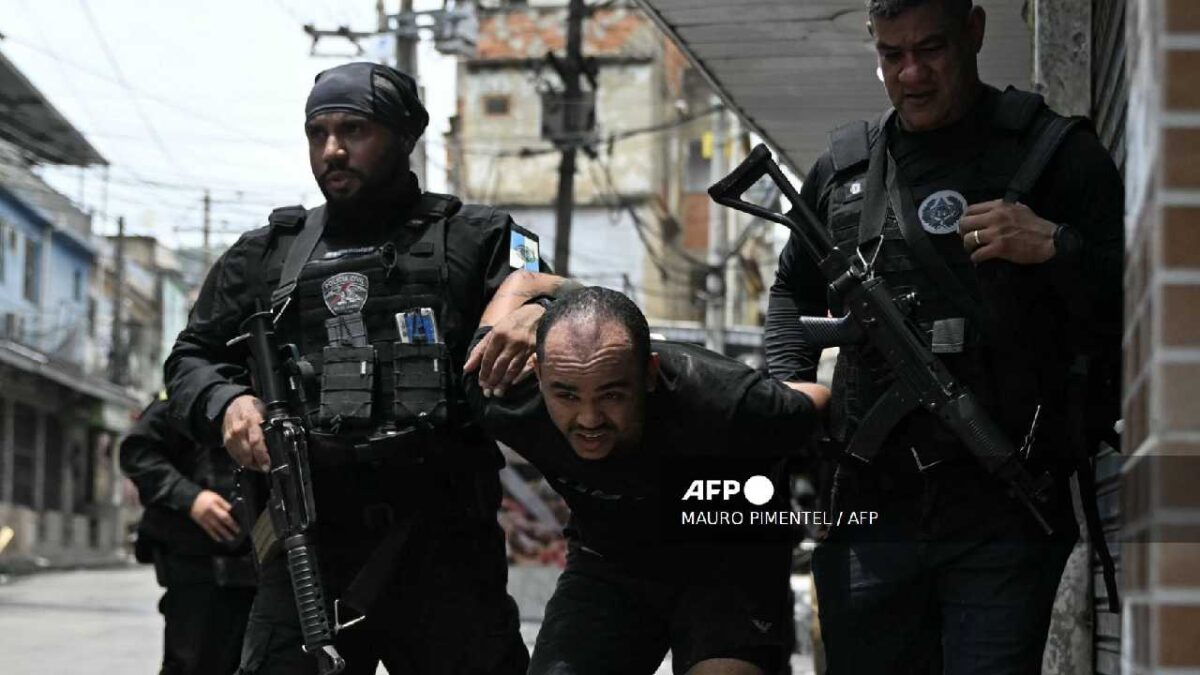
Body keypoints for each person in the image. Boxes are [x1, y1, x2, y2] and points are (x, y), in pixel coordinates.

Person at [164, 61, 574, 674]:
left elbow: (571, 306)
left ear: (404, 136)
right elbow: (189, 359)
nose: (332, 150)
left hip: (443, 543)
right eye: (317, 133)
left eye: (354, 130)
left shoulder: (481, 238)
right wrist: (229, 403)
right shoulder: (268, 255)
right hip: (311, 541)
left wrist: (539, 311)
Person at [764, 1, 1124, 673]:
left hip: (1006, 506)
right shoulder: (844, 172)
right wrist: (790, 384)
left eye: (931, 49)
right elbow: (792, 290)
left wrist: (1056, 248)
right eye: (891, 55)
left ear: (975, 31)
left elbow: (1141, 300)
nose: (912, 74)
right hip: (869, 508)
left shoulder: (1053, 155)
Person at [465, 285, 831, 675]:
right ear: (538, 375)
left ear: (650, 374)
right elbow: (523, 279)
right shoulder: (500, 391)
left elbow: (819, 399)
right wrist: (536, 306)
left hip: (726, 559)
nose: (589, 420)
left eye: (612, 396)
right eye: (567, 395)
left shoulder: (725, 400)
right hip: (611, 560)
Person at [120, 394, 256, 675]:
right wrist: (190, 498)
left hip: (268, 567)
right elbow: (137, 451)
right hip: (200, 567)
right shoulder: (196, 385)